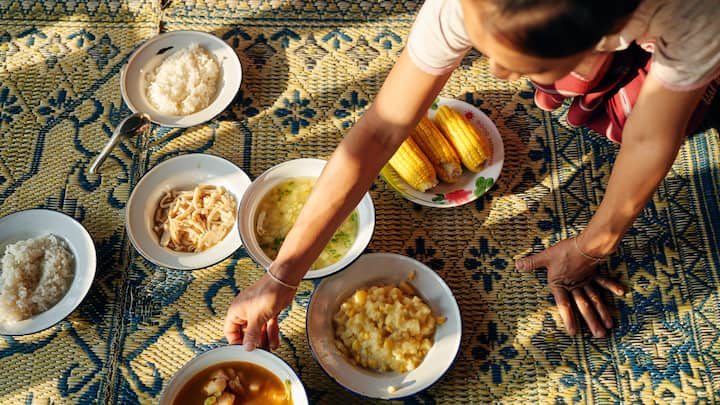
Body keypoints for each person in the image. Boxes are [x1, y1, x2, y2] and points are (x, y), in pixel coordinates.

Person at [224, 0, 720, 350]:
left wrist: (592, 246)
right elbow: (379, 131)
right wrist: (283, 273)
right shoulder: (460, 5)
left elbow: (652, 141)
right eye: (487, 51)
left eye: (520, 64)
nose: (499, 76)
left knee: (656, 112)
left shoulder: (694, 13)